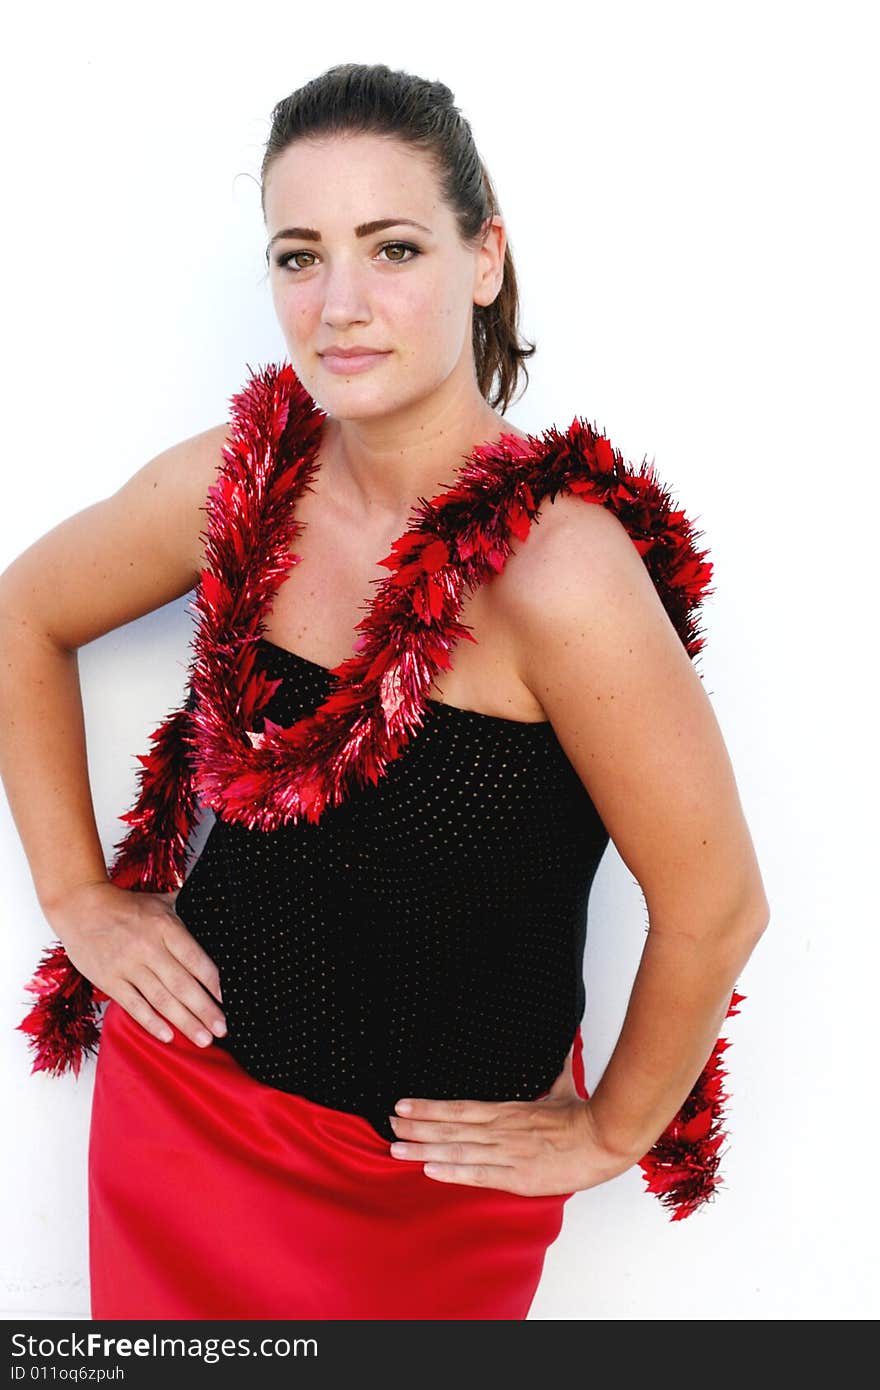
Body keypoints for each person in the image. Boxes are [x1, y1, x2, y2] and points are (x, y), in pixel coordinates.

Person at [0, 63, 769, 1320]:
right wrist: (78, 892)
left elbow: (716, 907)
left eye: (392, 246)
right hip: (184, 1123)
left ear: (484, 258)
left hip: (421, 1196)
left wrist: (610, 1132)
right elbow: (21, 614)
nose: (340, 305)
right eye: (299, 257)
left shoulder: (561, 569)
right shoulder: (238, 480)